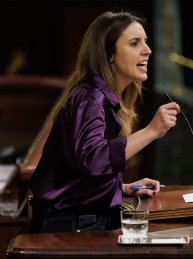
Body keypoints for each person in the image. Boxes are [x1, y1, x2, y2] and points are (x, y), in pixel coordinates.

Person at [30, 11, 180, 233]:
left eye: (145, 42)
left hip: (78, 220)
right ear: (109, 54)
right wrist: (151, 131)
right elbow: (93, 159)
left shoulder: (97, 95)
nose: (147, 50)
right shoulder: (90, 98)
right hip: (71, 226)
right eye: (134, 43)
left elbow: (78, 172)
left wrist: (120, 188)